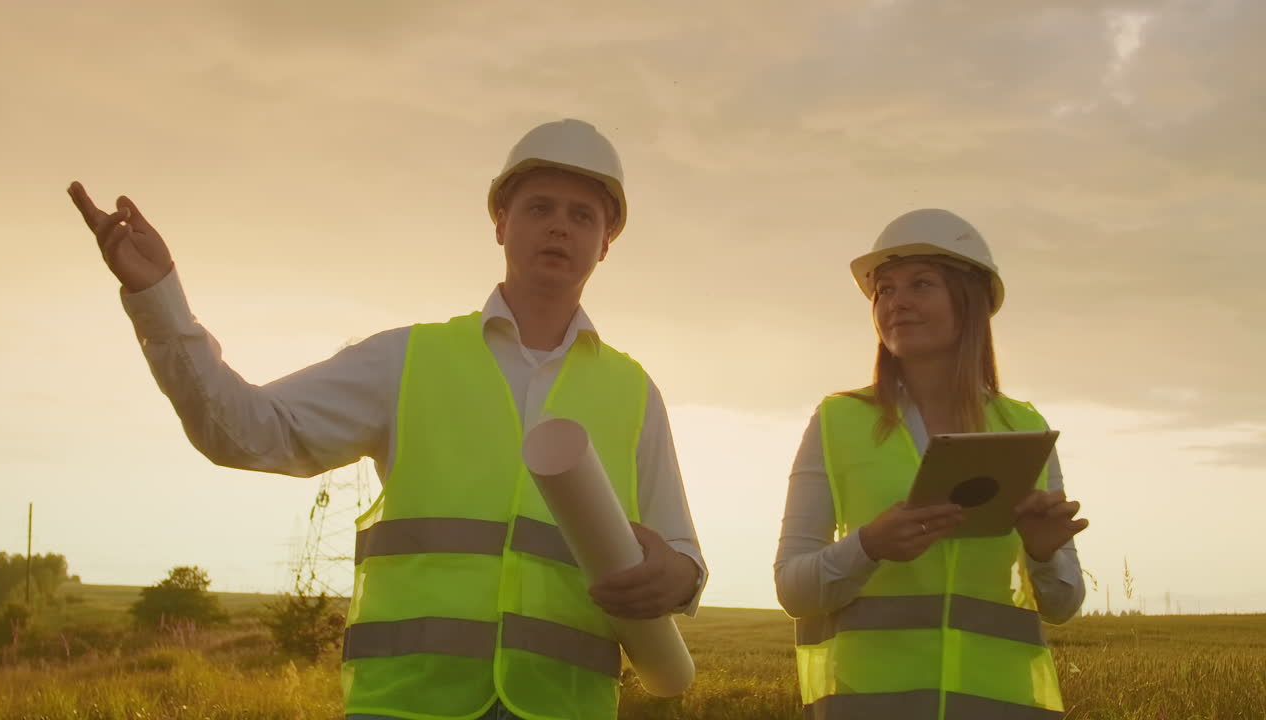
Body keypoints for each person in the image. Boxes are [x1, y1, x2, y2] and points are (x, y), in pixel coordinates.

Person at [68, 118, 706, 720]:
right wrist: (159, 301)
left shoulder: (634, 391)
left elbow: (681, 552)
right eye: (540, 206)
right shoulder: (407, 360)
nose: (560, 227)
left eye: (582, 214)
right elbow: (245, 430)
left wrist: (676, 579)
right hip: (406, 703)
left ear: (607, 242)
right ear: (501, 221)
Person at [773, 208, 1088, 719]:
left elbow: (1063, 604)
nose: (897, 303)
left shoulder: (1023, 428)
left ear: (972, 301)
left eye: (921, 284)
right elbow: (793, 587)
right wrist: (869, 546)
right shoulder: (836, 421)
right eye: (885, 290)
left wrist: (1045, 553)